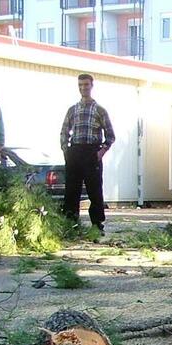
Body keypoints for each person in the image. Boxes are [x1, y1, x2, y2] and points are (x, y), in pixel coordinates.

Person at [59, 73, 115, 234]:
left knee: (94, 190)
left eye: (86, 85)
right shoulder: (72, 110)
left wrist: (101, 152)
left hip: (92, 151)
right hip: (75, 151)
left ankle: (97, 224)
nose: (83, 88)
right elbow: (64, 131)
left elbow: (110, 135)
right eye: (80, 85)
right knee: (71, 190)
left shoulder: (100, 110)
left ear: (92, 86)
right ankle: (71, 223)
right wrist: (66, 150)